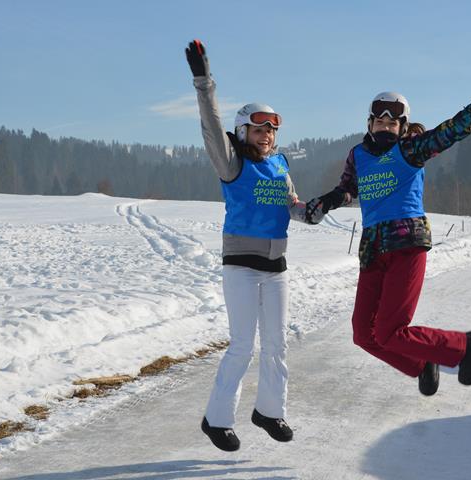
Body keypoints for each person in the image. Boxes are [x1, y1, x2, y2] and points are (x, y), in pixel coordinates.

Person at [305, 63, 471, 396]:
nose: (385, 127)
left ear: (402, 127)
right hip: (372, 250)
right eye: (379, 122)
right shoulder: (358, 155)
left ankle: (464, 346)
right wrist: (327, 201)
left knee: (389, 331)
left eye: (392, 123)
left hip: (406, 245)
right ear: (369, 124)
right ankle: (421, 363)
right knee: (363, 335)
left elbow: (457, 126)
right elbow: (349, 188)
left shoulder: (411, 150)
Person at [185, 40, 312, 452]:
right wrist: (204, 81)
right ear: (243, 132)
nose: (267, 135)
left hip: (277, 268)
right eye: (259, 129)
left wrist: (310, 210)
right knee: (242, 344)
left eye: (271, 129)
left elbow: (291, 205)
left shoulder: (280, 164)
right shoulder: (232, 162)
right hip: (240, 266)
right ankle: (217, 419)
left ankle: (270, 412)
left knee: (277, 344)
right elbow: (211, 124)